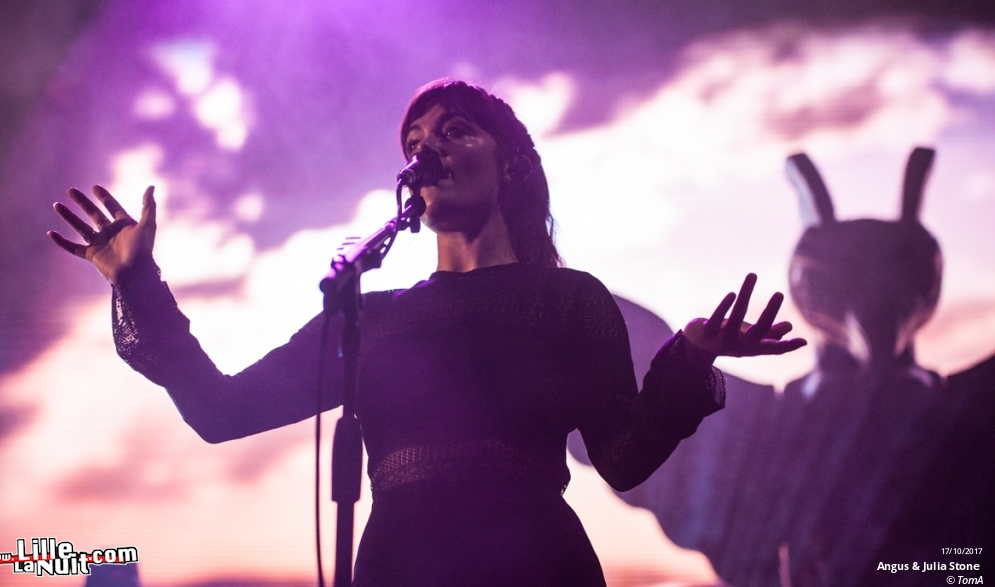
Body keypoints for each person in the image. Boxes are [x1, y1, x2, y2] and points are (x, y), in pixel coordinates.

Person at [49, 80, 806, 586]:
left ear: (509, 165)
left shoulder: (569, 300)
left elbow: (625, 458)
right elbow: (221, 410)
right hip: (401, 567)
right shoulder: (371, 315)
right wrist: (137, 283)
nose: (426, 149)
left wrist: (689, 359)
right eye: (414, 140)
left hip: (536, 566)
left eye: (454, 131)